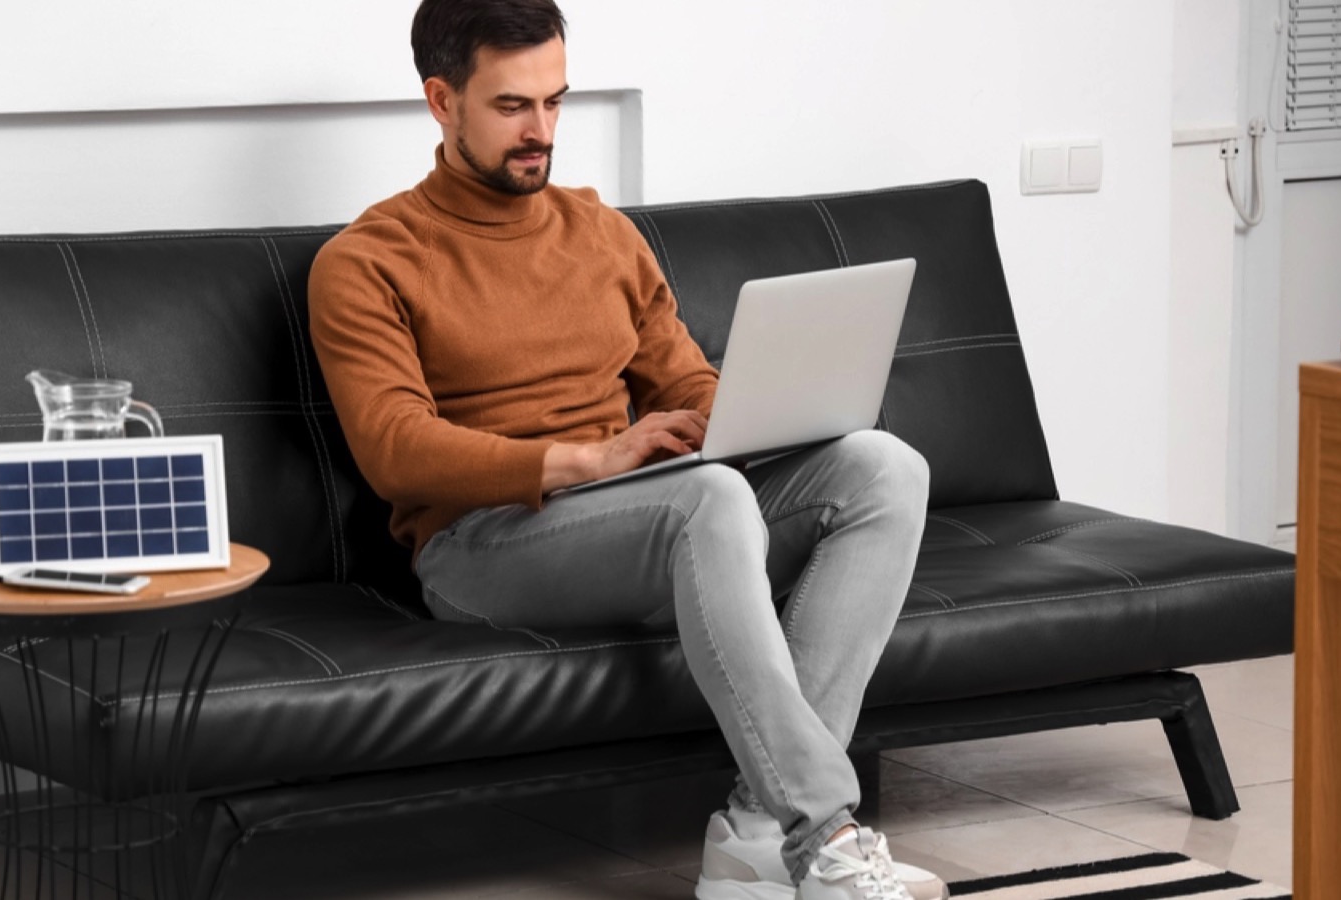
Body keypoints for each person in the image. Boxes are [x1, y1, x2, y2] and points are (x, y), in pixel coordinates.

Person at [307, 2, 945, 898]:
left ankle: (756, 838)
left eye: (556, 103)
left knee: (883, 468)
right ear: (442, 102)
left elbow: (683, 380)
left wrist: (753, 413)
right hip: (482, 545)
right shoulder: (367, 259)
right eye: (511, 107)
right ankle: (823, 836)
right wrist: (593, 460)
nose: (541, 133)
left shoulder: (600, 231)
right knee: (710, 499)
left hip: (637, 516)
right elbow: (395, 450)